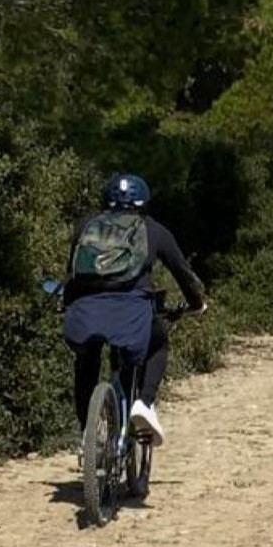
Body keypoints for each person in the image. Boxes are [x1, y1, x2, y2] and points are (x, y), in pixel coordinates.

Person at [63, 174, 207, 448]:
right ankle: (143, 403)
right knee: (158, 341)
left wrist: (68, 302)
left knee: (86, 359)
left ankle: (87, 430)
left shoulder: (85, 226)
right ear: (144, 202)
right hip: (131, 312)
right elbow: (183, 274)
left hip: (85, 312)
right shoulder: (154, 230)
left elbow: (71, 274)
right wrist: (196, 303)